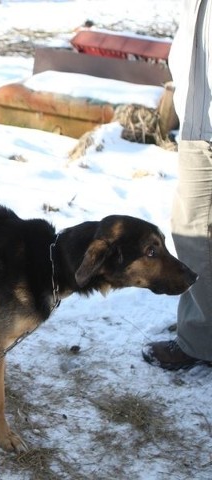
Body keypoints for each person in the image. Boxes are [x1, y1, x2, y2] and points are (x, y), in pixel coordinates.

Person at [142, 0, 212, 370]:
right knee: (194, 234)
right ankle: (202, 329)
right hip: (200, 123)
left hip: (206, 127)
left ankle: (202, 339)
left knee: (196, 235)